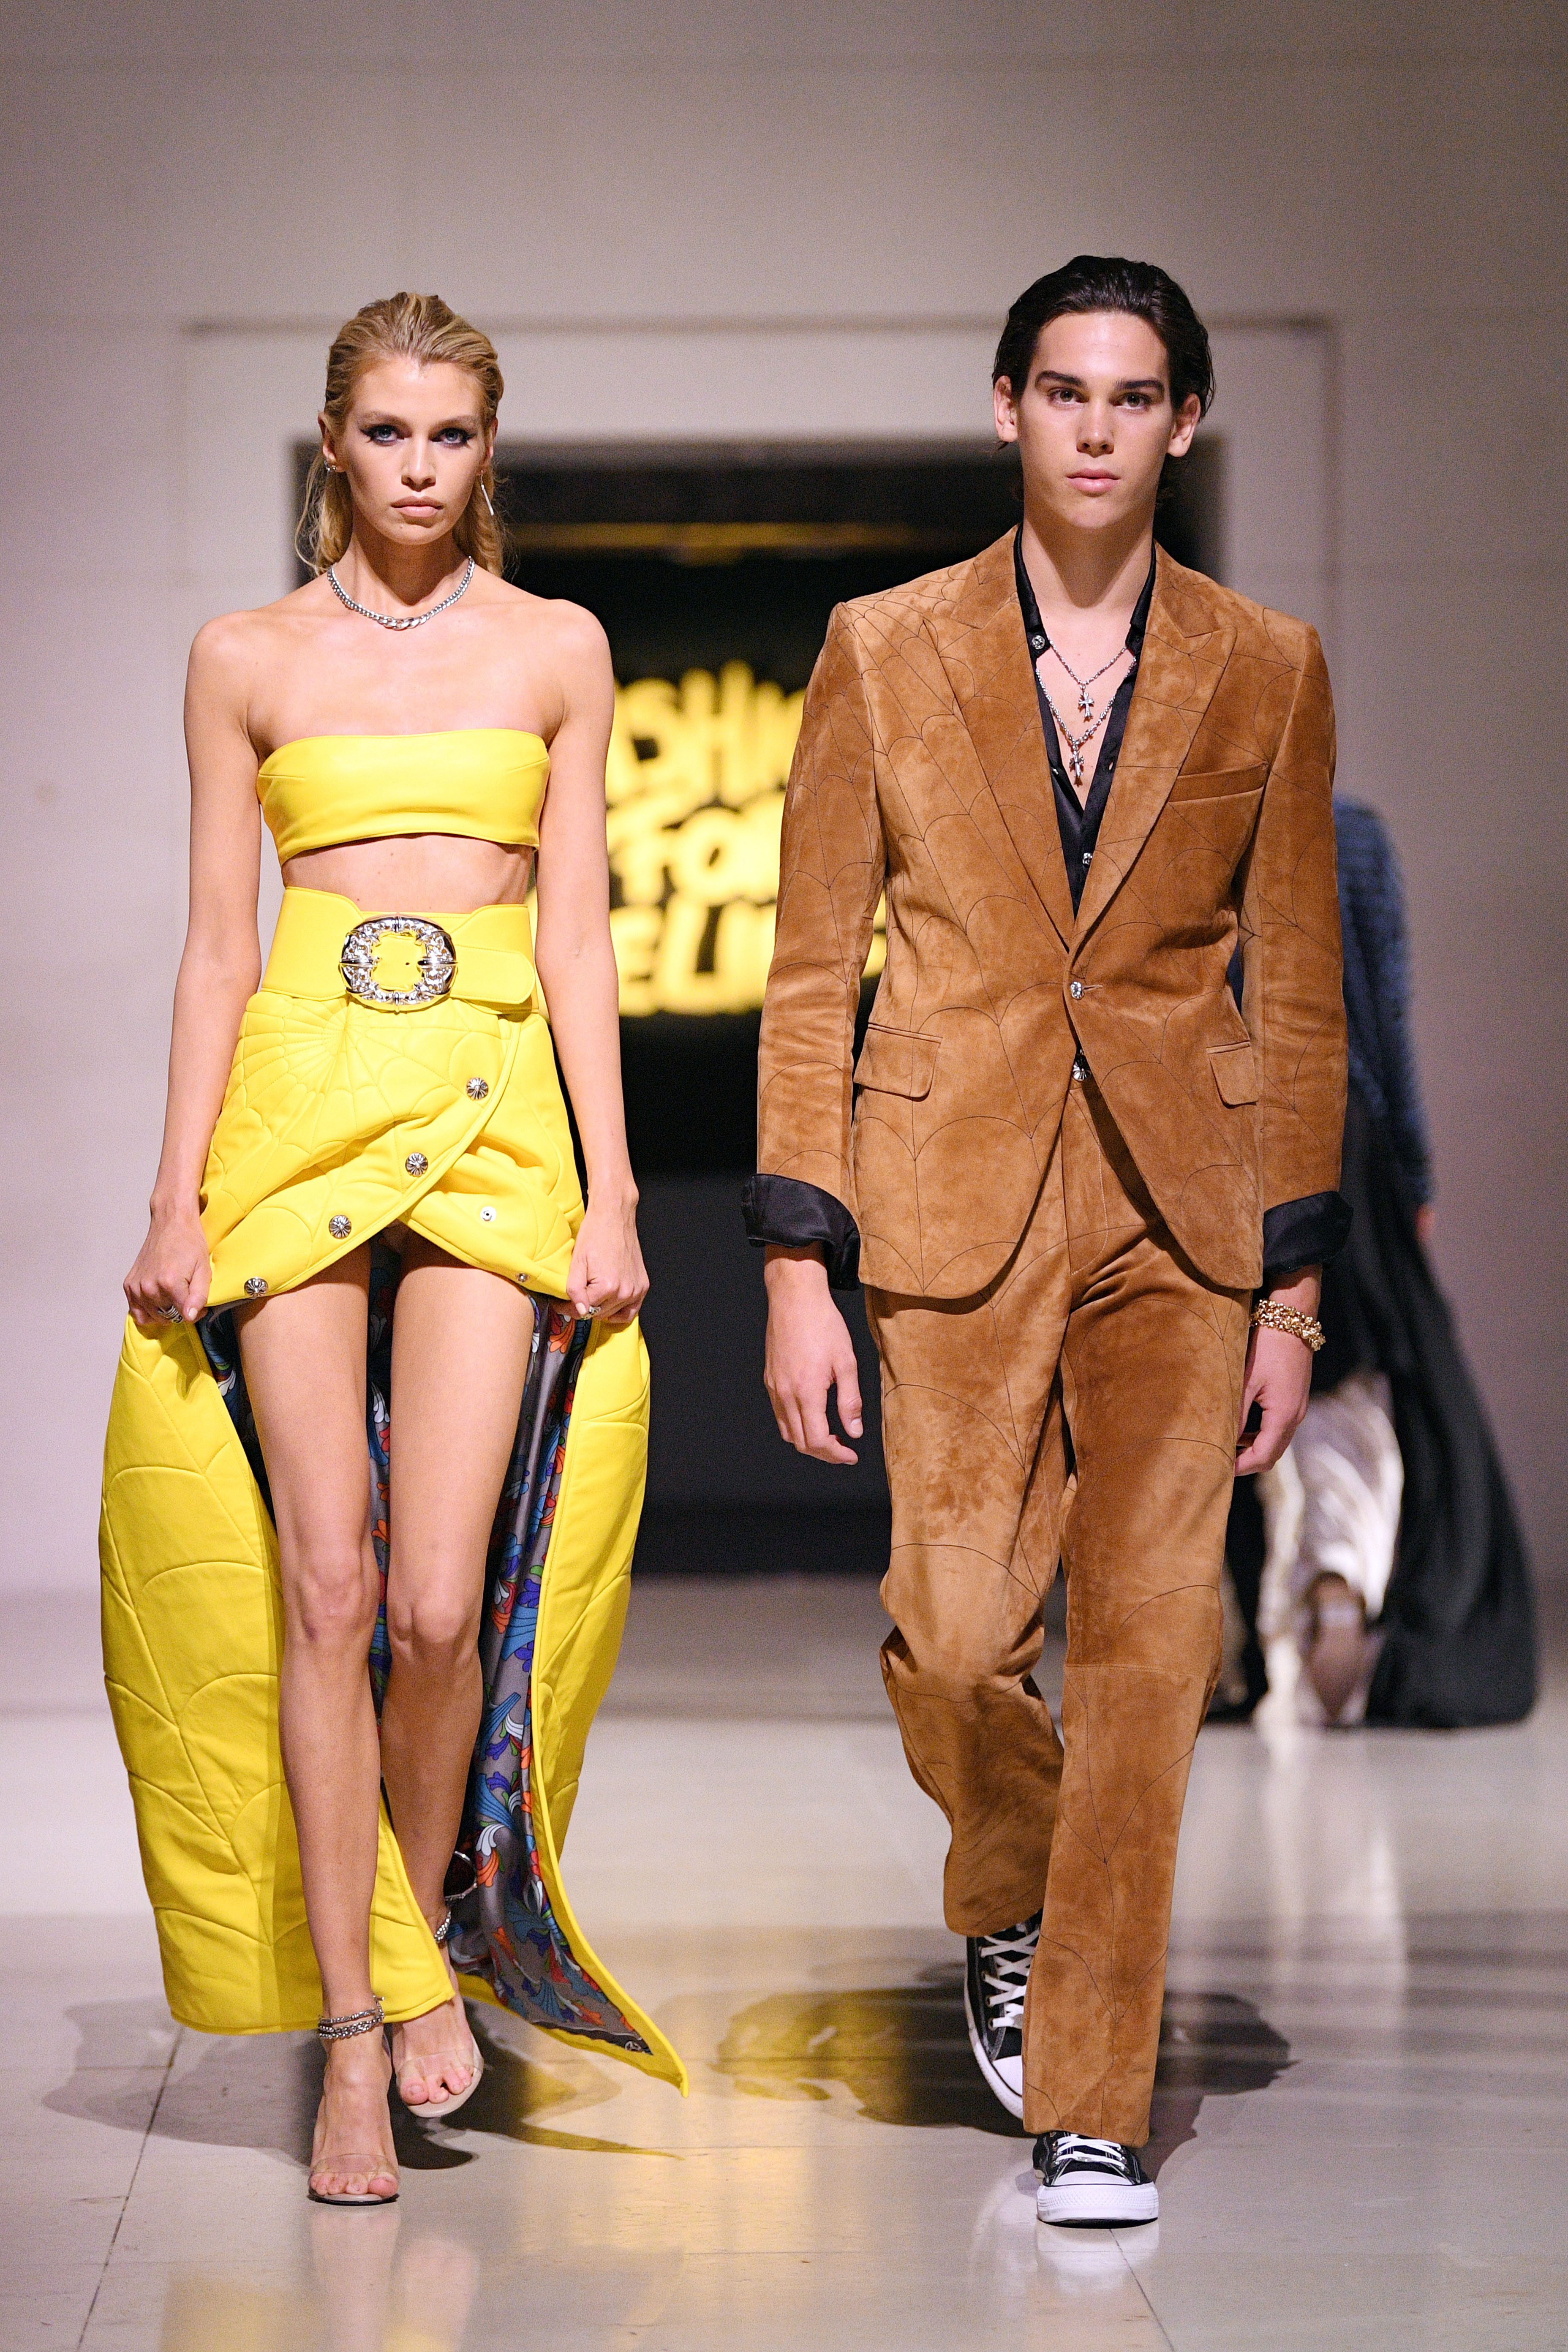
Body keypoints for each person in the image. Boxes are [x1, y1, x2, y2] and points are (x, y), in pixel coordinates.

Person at [744, 256, 1349, 2226]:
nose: (1097, 426)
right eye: (1065, 389)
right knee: (952, 1634)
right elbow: (815, 958)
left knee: (1161, 1652)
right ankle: (1009, 1886)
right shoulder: (883, 645)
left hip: (1185, 1222)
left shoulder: (1264, 661)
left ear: (1183, 423)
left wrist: (1297, 1283)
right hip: (945, 1198)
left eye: (1135, 393)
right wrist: (788, 1257)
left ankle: (1092, 2083)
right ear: (1004, 405)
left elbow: (1303, 989)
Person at [102, 292, 684, 2210]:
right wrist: (177, 1186)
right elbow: (211, 942)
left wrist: (612, 1182)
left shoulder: (560, 650)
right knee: (327, 1584)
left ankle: (421, 1931)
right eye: (386, 433)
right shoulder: (242, 655)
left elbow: (584, 932)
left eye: (450, 435)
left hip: (497, 1109)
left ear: (485, 449)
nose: (418, 466)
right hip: (298, 1111)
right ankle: (362, 2025)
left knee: (443, 1601)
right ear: (332, 443)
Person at [1253, 797, 1535, 1726]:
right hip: (1338, 1130)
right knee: (1344, 1373)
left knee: (1207, 1383)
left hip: (1208, 1135)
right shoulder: (1350, 834)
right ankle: (1335, 1579)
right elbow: (1383, 1007)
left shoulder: (1183, 814)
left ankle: (1223, 1633)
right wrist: (1411, 1173)